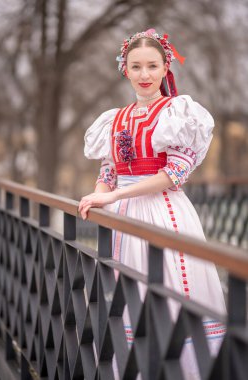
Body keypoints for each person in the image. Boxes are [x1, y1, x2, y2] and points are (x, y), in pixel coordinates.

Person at [78, 29, 226, 380]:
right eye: (136, 66)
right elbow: (109, 172)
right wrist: (98, 198)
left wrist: (112, 196)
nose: (144, 75)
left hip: (163, 213)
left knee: (169, 296)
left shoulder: (177, 112)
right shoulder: (115, 118)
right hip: (123, 220)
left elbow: (174, 173)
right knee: (126, 301)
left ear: (165, 69)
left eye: (152, 66)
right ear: (124, 69)